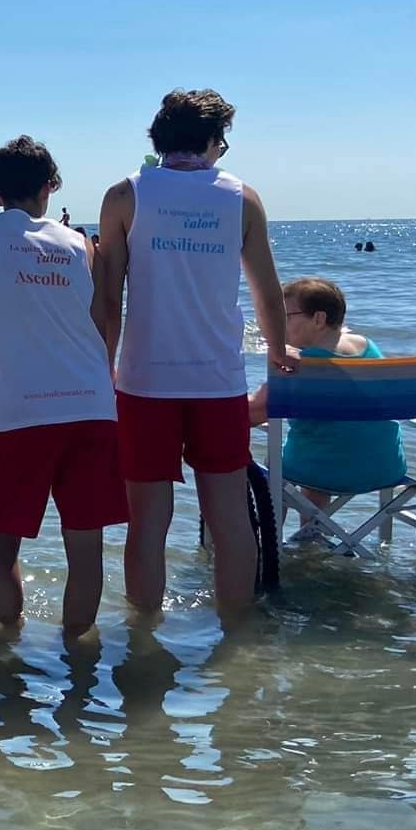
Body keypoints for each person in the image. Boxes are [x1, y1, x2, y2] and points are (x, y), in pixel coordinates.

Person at [98, 89, 294, 620]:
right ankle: (237, 640)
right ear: (213, 140)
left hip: (143, 382)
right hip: (218, 380)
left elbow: (107, 296)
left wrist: (102, 368)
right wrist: (277, 350)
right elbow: (266, 290)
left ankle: (144, 639)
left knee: (147, 524)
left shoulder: (125, 195)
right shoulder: (242, 198)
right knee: (231, 519)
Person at [0, 136, 125, 637]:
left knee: (1, 550)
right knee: (85, 550)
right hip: (91, 408)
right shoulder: (82, 245)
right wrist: (106, 375)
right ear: (50, 187)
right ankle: (79, 662)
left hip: (23, 414)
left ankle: (9, 655)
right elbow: (106, 317)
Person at [248, 278, 405, 507]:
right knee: (327, 437)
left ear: (319, 319)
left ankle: (272, 540)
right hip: (386, 468)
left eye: (285, 317)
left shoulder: (300, 366)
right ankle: (313, 532)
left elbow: (255, 413)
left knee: (282, 461)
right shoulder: (368, 347)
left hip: (319, 470)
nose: (276, 324)